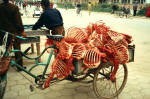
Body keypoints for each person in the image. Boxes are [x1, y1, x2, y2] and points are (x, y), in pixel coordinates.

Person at [0, 0, 26, 72]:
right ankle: (20, 67)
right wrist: (22, 31)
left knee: (4, 51)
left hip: (3, 34)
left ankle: (3, 67)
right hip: (14, 33)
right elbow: (18, 22)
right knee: (17, 50)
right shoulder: (14, 7)